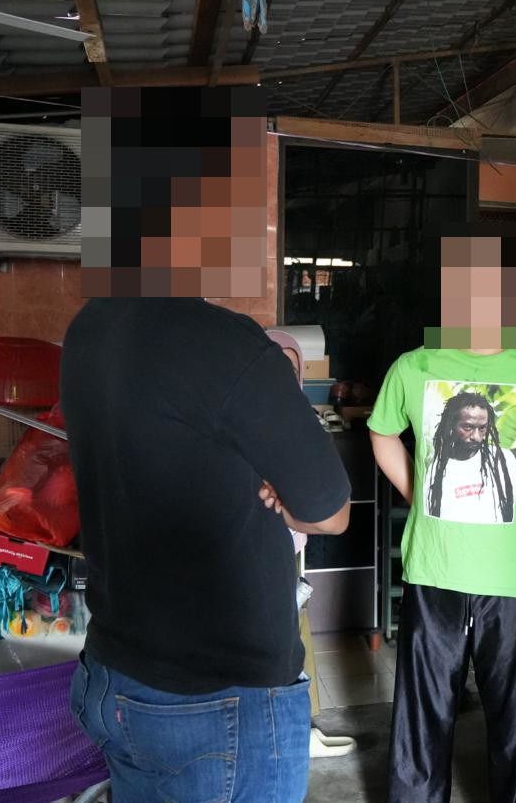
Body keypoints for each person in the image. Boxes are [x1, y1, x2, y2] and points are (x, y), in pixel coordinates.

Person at [62, 298, 352, 802]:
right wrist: (286, 503)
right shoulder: (226, 344)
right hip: (218, 702)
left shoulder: (91, 325)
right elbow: (329, 512)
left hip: (116, 672)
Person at [369, 236, 516, 802]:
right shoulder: (416, 365)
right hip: (434, 571)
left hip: (510, 579)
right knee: (422, 720)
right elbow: (382, 432)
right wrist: (419, 494)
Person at [426, 390, 516, 524]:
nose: (476, 437)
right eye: (468, 427)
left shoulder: (503, 459)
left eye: (482, 428)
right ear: (451, 424)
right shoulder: (434, 469)